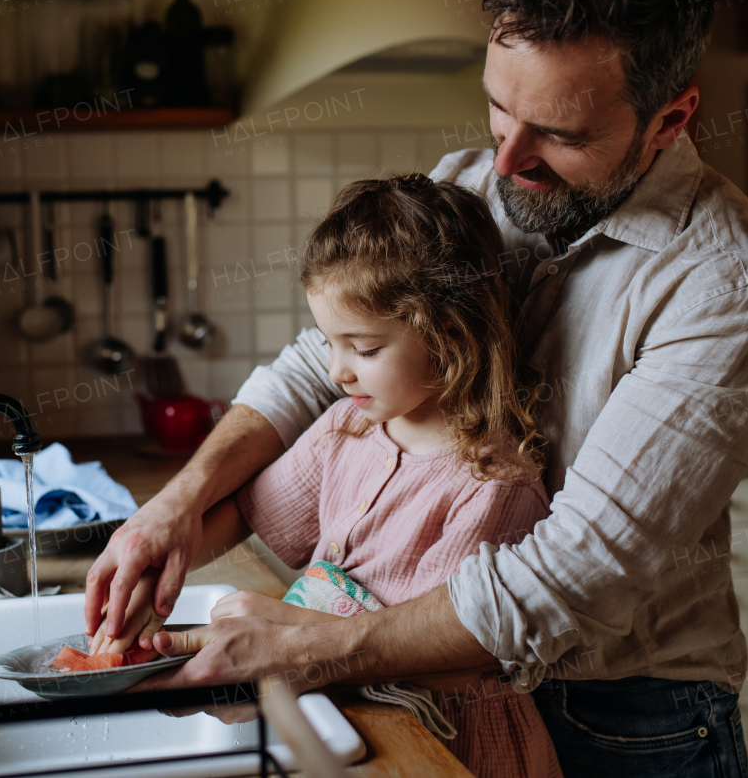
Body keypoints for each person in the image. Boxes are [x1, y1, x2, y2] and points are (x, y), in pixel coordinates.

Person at [86, 0, 748, 775]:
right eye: (498, 108)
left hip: (626, 718)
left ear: (670, 117)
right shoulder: (471, 184)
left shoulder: (729, 277)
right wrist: (176, 504)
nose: (505, 157)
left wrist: (319, 647)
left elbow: (578, 572)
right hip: (427, 677)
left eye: (558, 133)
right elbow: (319, 366)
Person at [94, 174, 562, 776]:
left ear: (450, 338)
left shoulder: (492, 484)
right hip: (351, 708)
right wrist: (160, 574)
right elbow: (246, 510)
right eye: (327, 343)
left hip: (448, 740)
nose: (338, 371)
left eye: (364, 349)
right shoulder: (346, 428)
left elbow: (456, 654)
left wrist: (275, 632)